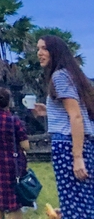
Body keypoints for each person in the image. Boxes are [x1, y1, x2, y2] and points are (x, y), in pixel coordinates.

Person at [33, 35, 94, 219]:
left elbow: (75, 117)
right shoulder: (73, 75)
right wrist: (49, 112)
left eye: (44, 48)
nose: (39, 53)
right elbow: (77, 114)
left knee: (75, 205)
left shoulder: (59, 77)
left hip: (68, 145)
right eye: (38, 49)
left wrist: (77, 157)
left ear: (55, 51)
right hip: (81, 143)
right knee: (84, 201)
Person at [0, 87, 30, 219]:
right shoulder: (13, 120)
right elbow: (26, 145)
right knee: (14, 204)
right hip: (12, 166)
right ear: (9, 102)